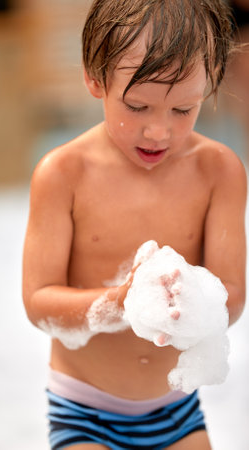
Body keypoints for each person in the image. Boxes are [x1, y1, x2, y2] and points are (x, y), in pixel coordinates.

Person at [22, 1, 247, 449]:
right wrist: (118, 303)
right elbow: (38, 301)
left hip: (175, 408)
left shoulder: (218, 171)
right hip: (84, 410)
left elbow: (233, 296)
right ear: (95, 77)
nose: (158, 132)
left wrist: (190, 296)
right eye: (138, 106)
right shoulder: (64, 174)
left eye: (183, 110)